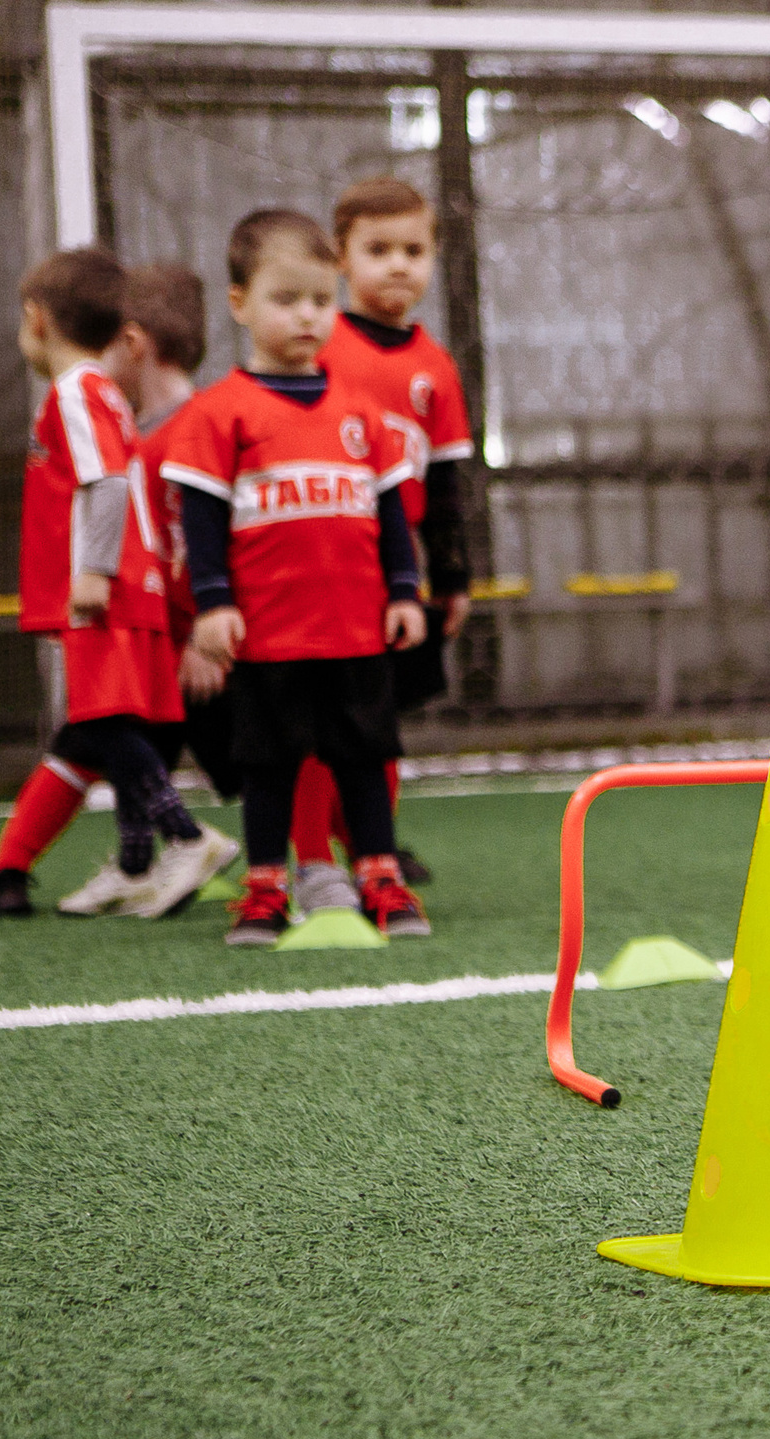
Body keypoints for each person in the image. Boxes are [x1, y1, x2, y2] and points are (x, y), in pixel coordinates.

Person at [158, 209, 432, 945]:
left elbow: (390, 516)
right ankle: (267, 887)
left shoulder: (361, 417)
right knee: (270, 764)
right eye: (287, 299)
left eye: (320, 298)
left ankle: (379, 874)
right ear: (239, 302)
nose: (308, 315)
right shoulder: (220, 414)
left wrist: (404, 591)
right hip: (271, 636)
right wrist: (212, 605)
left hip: (355, 629)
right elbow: (203, 521)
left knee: (365, 758)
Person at [0, 248, 236, 920]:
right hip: (136, 588)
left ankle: (184, 835)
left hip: (108, 590)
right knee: (115, 722)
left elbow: (109, 481)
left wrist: (92, 570)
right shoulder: (108, 396)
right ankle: (137, 864)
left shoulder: (74, 393)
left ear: (36, 320)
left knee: (103, 720)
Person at [286, 176, 476, 909]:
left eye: (414, 250)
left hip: (392, 578)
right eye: (378, 249)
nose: (398, 265)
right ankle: (308, 858)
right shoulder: (319, 344)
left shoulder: (436, 367)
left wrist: (452, 575)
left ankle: (376, 849)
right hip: (314, 568)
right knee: (306, 718)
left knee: (376, 720)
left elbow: (450, 479)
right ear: (341, 258)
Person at [119, 262, 246, 812]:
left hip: (207, 647)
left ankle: (365, 851)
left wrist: (204, 636)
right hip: (165, 645)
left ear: (133, 344)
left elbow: (209, 542)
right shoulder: (131, 436)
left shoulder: (192, 431)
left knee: (262, 765)